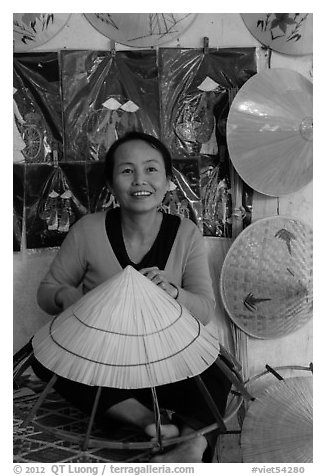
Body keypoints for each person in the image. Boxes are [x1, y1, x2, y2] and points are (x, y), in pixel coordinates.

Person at [32, 131, 231, 462]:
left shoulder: (185, 232)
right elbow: (46, 294)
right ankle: (150, 421)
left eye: (152, 169)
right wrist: (73, 300)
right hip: (105, 362)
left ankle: (191, 446)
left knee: (217, 365)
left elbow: (205, 311)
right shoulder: (88, 230)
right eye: (127, 171)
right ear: (110, 184)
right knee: (44, 359)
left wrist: (172, 292)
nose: (140, 180)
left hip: (165, 362)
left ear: (168, 180)